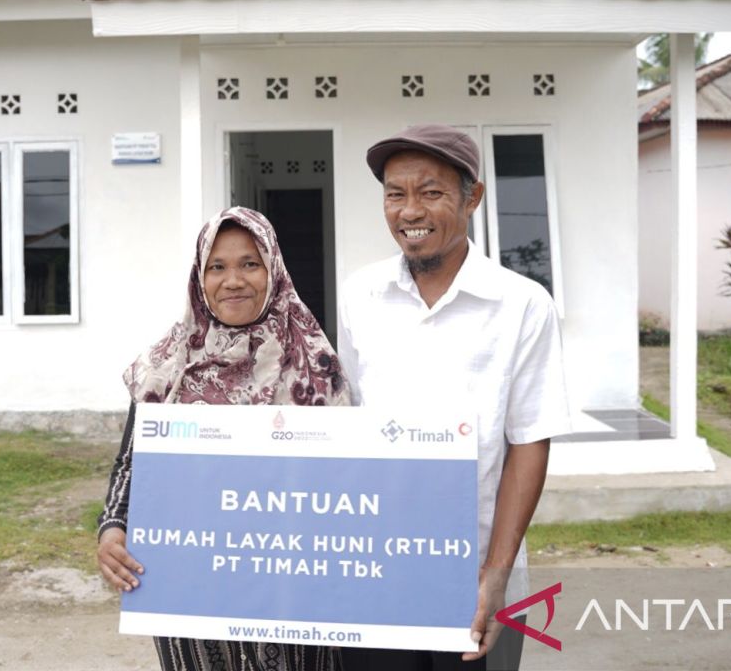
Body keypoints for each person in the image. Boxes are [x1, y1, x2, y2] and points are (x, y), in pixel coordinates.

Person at [337, 125, 573, 671]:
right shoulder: (360, 294)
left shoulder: (522, 305)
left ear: (473, 198)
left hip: (475, 585)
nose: (409, 211)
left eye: (431, 192)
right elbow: (348, 422)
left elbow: (529, 442)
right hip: (377, 577)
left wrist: (496, 575)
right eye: (395, 194)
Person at [95, 206, 352, 671]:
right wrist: (113, 527)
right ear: (200, 277)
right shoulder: (167, 365)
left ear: (273, 269)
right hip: (188, 585)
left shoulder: (315, 365)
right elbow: (131, 463)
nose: (233, 280)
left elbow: (348, 480)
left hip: (291, 587)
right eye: (217, 266)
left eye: (249, 263)